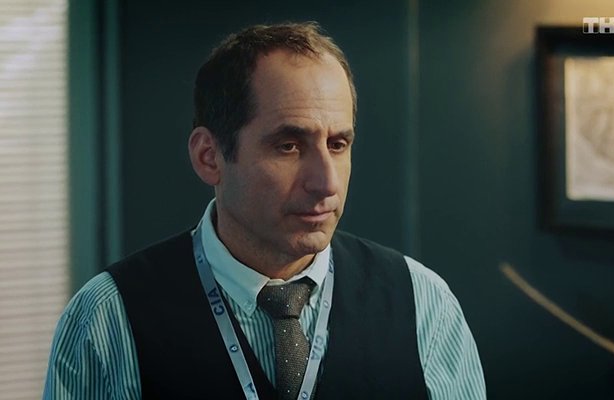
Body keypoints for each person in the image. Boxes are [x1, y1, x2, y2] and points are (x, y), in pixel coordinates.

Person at [44, 22, 486, 399]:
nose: (327, 183)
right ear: (209, 157)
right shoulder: (108, 319)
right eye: (288, 146)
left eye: (338, 144)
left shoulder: (423, 304)